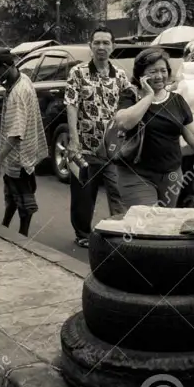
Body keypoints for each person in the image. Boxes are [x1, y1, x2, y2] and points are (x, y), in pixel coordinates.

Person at [113, 47, 194, 208]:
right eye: (153, 72)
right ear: (140, 74)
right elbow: (125, 123)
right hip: (136, 175)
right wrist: (149, 96)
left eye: (163, 70)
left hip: (171, 175)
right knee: (147, 221)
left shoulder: (177, 101)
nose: (159, 76)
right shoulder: (130, 96)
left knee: (164, 224)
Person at [64, 26, 129, 248]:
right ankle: (82, 234)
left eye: (106, 43)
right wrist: (73, 141)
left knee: (117, 191)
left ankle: (120, 231)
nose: (101, 47)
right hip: (85, 148)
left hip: (112, 148)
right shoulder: (78, 73)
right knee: (84, 195)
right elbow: (71, 106)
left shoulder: (120, 75)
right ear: (90, 46)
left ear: (113, 46)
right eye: (97, 42)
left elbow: (129, 102)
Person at [0, 47, 47, 237]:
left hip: (20, 156)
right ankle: (4, 227)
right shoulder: (22, 79)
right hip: (21, 154)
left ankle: (22, 236)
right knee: (11, 195)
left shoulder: (18, 94)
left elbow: (16, 133)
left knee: (24, 202)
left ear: (5, 66)